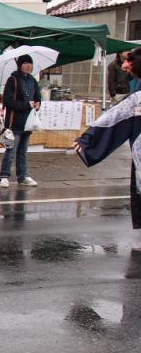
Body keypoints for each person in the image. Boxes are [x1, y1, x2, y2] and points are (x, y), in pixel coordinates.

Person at [74, 54, 141, 230]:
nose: (125, 66)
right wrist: (88, 138)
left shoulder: (137, 97)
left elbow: (114, 117)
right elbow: (115, 117)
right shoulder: (137, 95)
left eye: (129, 62)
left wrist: (88, 139)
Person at [0, 54, 41, 188]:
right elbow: (8, 101)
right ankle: (4, 176)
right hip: (14, 122)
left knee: (23, 151)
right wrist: (26, 105)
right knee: (11, 150)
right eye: (25, 63)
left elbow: (37, 97)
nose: (28, 66)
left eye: (30, 63)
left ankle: (22, 176)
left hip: (28, 122)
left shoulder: (32, 80)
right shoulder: (13, 80)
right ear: (20, 65)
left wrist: (38, 104)